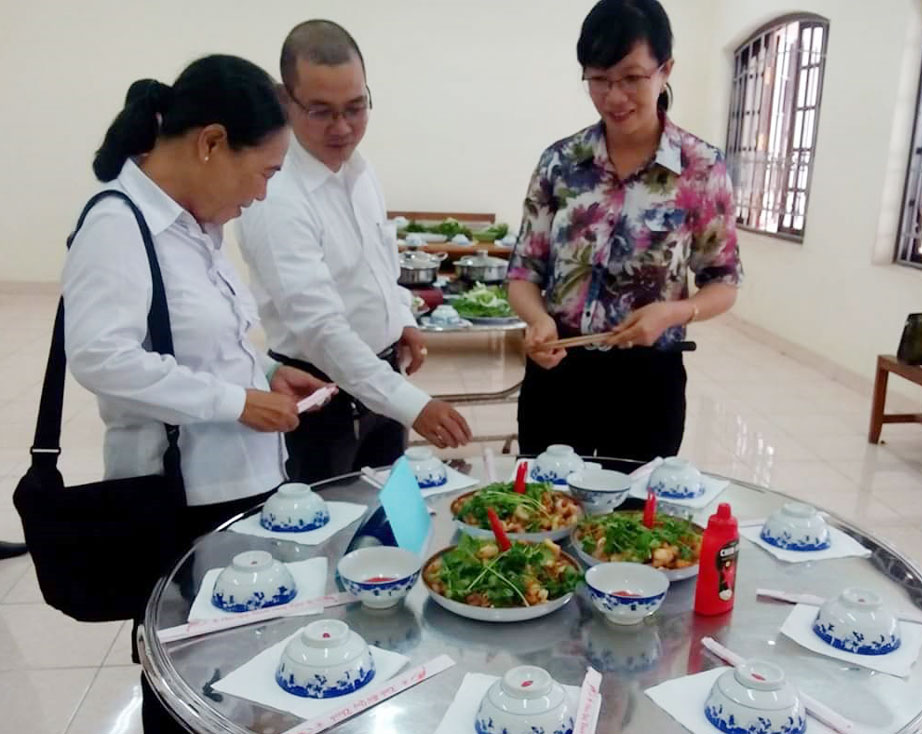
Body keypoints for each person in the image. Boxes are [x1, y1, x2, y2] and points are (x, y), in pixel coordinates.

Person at [63, 54, 326, 733]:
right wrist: (237, 402)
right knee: (184, 683)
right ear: (211, 142)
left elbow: (205, 340)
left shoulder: (195, 227)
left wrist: (265, 373)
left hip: (231, 488)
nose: (262, 195)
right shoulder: (119, 224)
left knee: (235, 669)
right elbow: (101, 356)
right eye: (264, 173)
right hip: (180, 499)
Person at [507, 0, 743, 462]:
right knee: (544, 501)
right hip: (559, 371)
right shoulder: (560, 162)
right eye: (599, 79)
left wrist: (674, 312)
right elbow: (523, 272)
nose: (614, 97)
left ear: (665, 70)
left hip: (648, 382)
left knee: (633, 505)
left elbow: (724, 282)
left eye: (632, 78)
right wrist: (538, 320)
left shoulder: (700, 168)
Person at [238, 20, 472, 483]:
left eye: (356, 107)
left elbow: (378, 263)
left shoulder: (359, 171)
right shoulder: (278, 196)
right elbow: (320, 328)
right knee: (331, 518)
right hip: (319, 393)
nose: (343, 127)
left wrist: (400, 318)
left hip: (381, 378)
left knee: (388, 512)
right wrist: (414, 406)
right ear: (287, 101)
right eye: (321, 112)